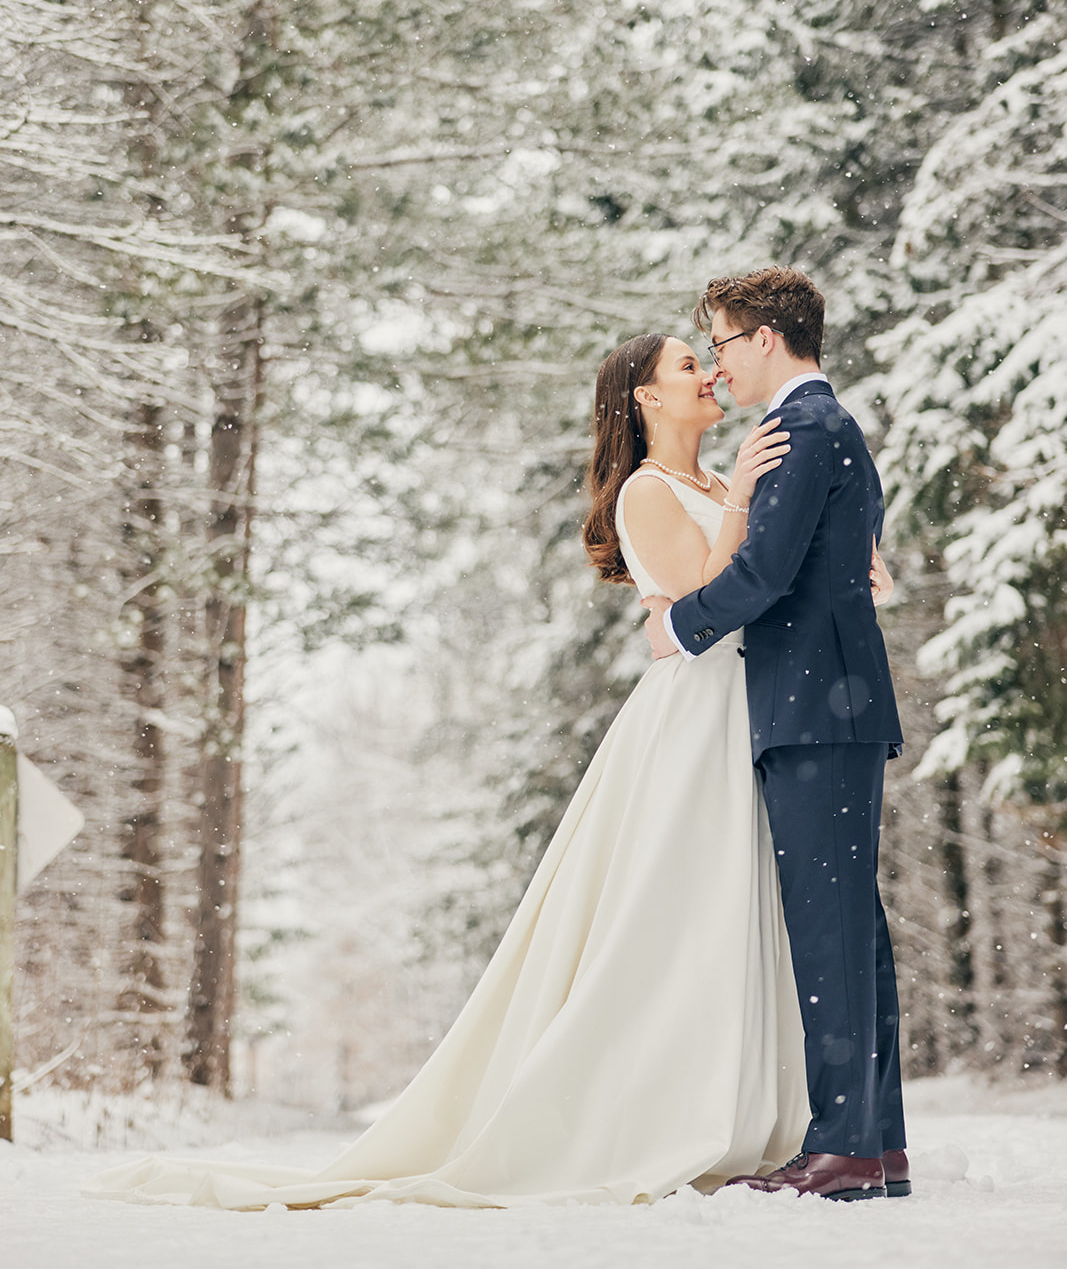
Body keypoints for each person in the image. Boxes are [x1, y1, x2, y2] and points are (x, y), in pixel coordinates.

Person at [85, 332, 811, 1211]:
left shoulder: (712, 484)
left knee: (731, 904)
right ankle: (654, 1111)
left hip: (741, 706)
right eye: (686, 366)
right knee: (676, 909)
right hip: (692, 719)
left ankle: (738, 1100)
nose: (706, 373)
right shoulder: (648, 493)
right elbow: (702, 591)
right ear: (646, 399)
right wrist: (744, 496)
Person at [643, 267, 909, 1202]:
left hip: (815, 706)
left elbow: (760, 577)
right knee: (851, 927)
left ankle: (842, 1150)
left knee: (829, 929)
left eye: (718, 341)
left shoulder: (801, 429)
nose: (716, 363)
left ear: (763, 339)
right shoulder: (824, 426)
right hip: (828, 702)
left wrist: (676, 626)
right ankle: (874, 1142)